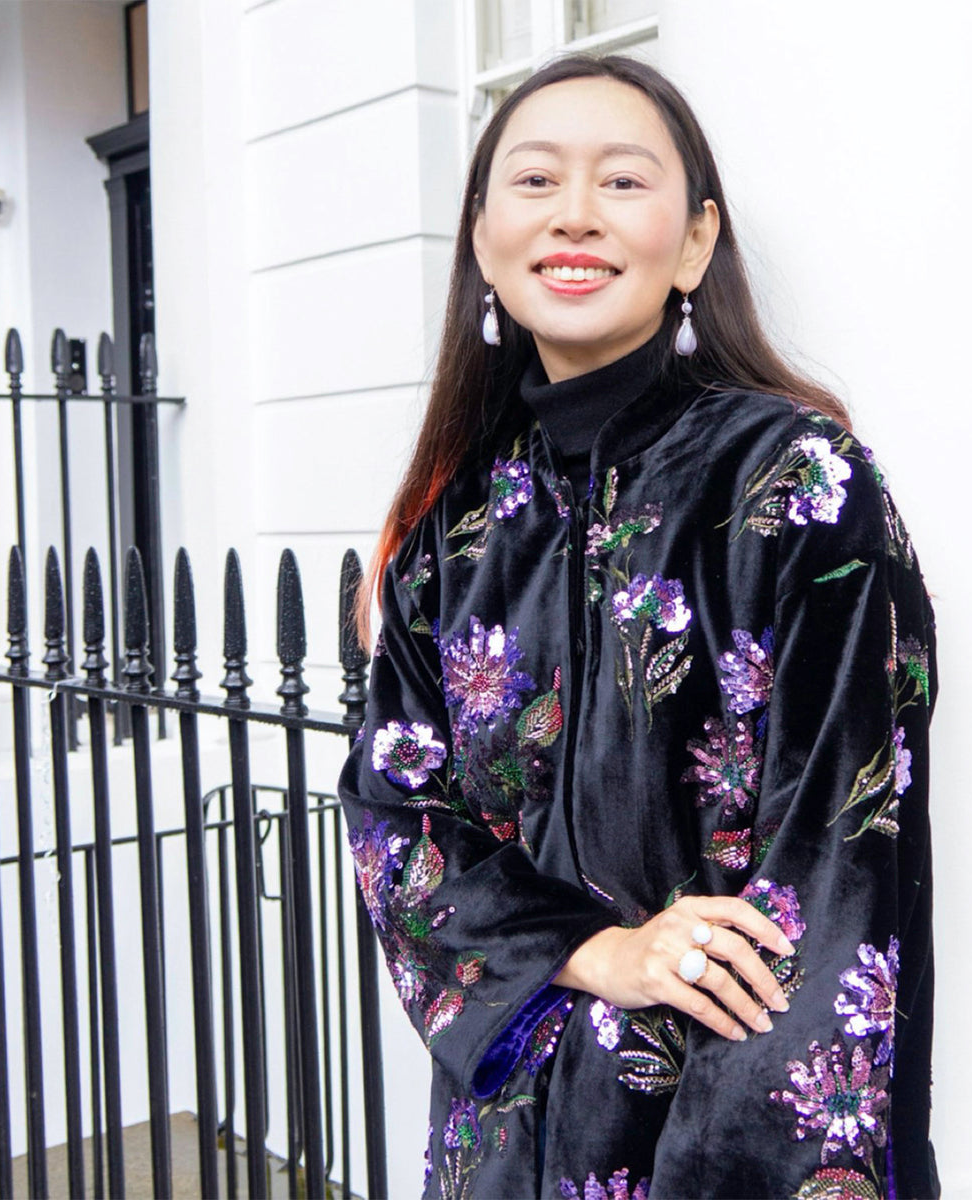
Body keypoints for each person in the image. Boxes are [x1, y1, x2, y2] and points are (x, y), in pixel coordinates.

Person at [338, 51, 939, 1200]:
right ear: (479, 236)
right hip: (501, 1146)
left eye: (622, 182)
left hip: (704, 1144)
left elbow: (835, 876)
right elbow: (393, 812)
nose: (574, 215)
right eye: (534, 183)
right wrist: (596, 949)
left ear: (697, 242)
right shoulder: (454, 525)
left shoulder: (796, 488)